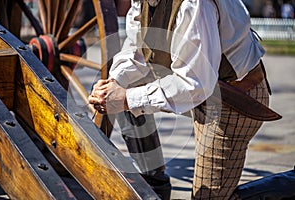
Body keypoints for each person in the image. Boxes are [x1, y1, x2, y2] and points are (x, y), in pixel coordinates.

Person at [89, 0, 280, 199]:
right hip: (203, 90)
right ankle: (154, 180)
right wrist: (113, 84)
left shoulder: (194, 4)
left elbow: (195, 83)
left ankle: (289, 184)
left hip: (233, 102)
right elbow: (138, 48)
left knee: (208, 197)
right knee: (123, 90)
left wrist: (127, 99)